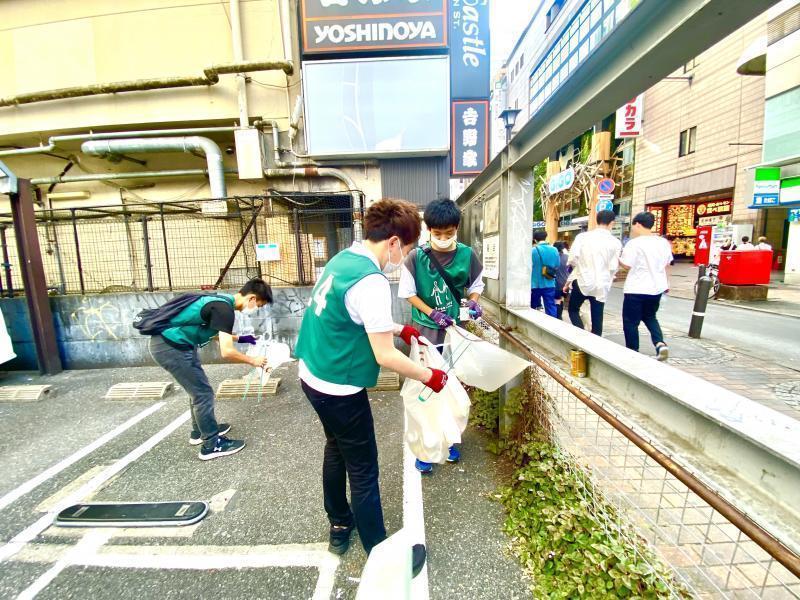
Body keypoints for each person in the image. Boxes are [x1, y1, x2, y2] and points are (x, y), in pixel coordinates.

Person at [294, 199, 443, 574]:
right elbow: (385, 355)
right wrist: (429, 376)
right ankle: (383, 557)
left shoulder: (344, 259)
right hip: (339, 388)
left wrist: (400, 328)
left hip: (311, 373)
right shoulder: (372, 281)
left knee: (336, 447)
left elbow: (353, 317)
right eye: (406, 249)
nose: (403, 258)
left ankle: (339, 524)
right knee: (363, 471)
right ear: (393, 242)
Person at [398, 198, 484, 474]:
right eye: (438, 233)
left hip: (455, 332)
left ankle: (449, 440)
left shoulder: (467, 255)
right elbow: (408, 293)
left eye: (449, 233)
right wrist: (432, 312)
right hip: (425, 332)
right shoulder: (416, 257)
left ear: (457, 228)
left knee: (452, 386)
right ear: (428, 230)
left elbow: (476, 284)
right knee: (425, 387)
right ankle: (425, 448)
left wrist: (473, 302)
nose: (444, 238)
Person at [148, 279, 272, 460]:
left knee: (197, 389)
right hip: (171, 347)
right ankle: (211, 444)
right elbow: (227, 352)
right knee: (203, 394)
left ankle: (200, 431)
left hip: (172, 344)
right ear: (252, 298)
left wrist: (242, 339)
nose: (255, 309)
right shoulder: (225, 310)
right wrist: (254, 361)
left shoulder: (220, 301)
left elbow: (213, 332)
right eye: (258, 306)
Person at [619, 212, 673, 361]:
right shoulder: (663, 243)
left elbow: (627, 265)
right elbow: (667, 264)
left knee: (630, 322)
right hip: (656, 288)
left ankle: (633, 352)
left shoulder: (634, 243)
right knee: (650, 316)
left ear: (637, 224)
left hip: (636, 288)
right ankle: (660, 343)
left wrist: (618, 258)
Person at [563, 210, 622, 336]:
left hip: (583, 280)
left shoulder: (582, 237)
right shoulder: (615, 242)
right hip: (602, 284)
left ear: (597, 220)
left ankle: (582, 335)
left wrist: (582, 266)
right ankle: (596, 341)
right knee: (597, 317)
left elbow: (572, 259)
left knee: (573, 310)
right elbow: (613, 266)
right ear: (612, 223)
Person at [530, 231, 561, 317]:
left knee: (532, 306)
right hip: (550, 282)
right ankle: (552, 323)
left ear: (535, 240)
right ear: (545, 237)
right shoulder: (554, 250)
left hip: (535, 284)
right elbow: (557, 265)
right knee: (551, 306)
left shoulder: (533, 251)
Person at [553, 241, 571, 320]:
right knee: (561, 299)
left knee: (557, 300)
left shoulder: (554, 257)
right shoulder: (568, 257)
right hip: (566, 283)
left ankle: (558, 317)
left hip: (556, 282)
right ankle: (559, 316)